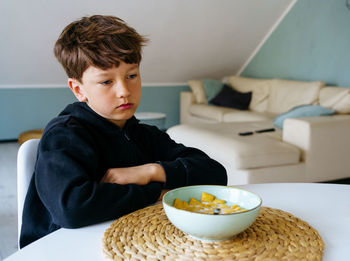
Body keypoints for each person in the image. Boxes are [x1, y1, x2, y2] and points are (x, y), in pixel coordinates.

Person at [19, 15, 227, 248]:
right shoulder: (64, 135)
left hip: (131, 238)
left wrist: (149, 171)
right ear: (78, 89)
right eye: (106, 82)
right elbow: (73, 208)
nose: (124, 91)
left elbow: (215, 174)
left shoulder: (143, 133)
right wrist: (156, 193)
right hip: (60, 248)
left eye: (131, 76)